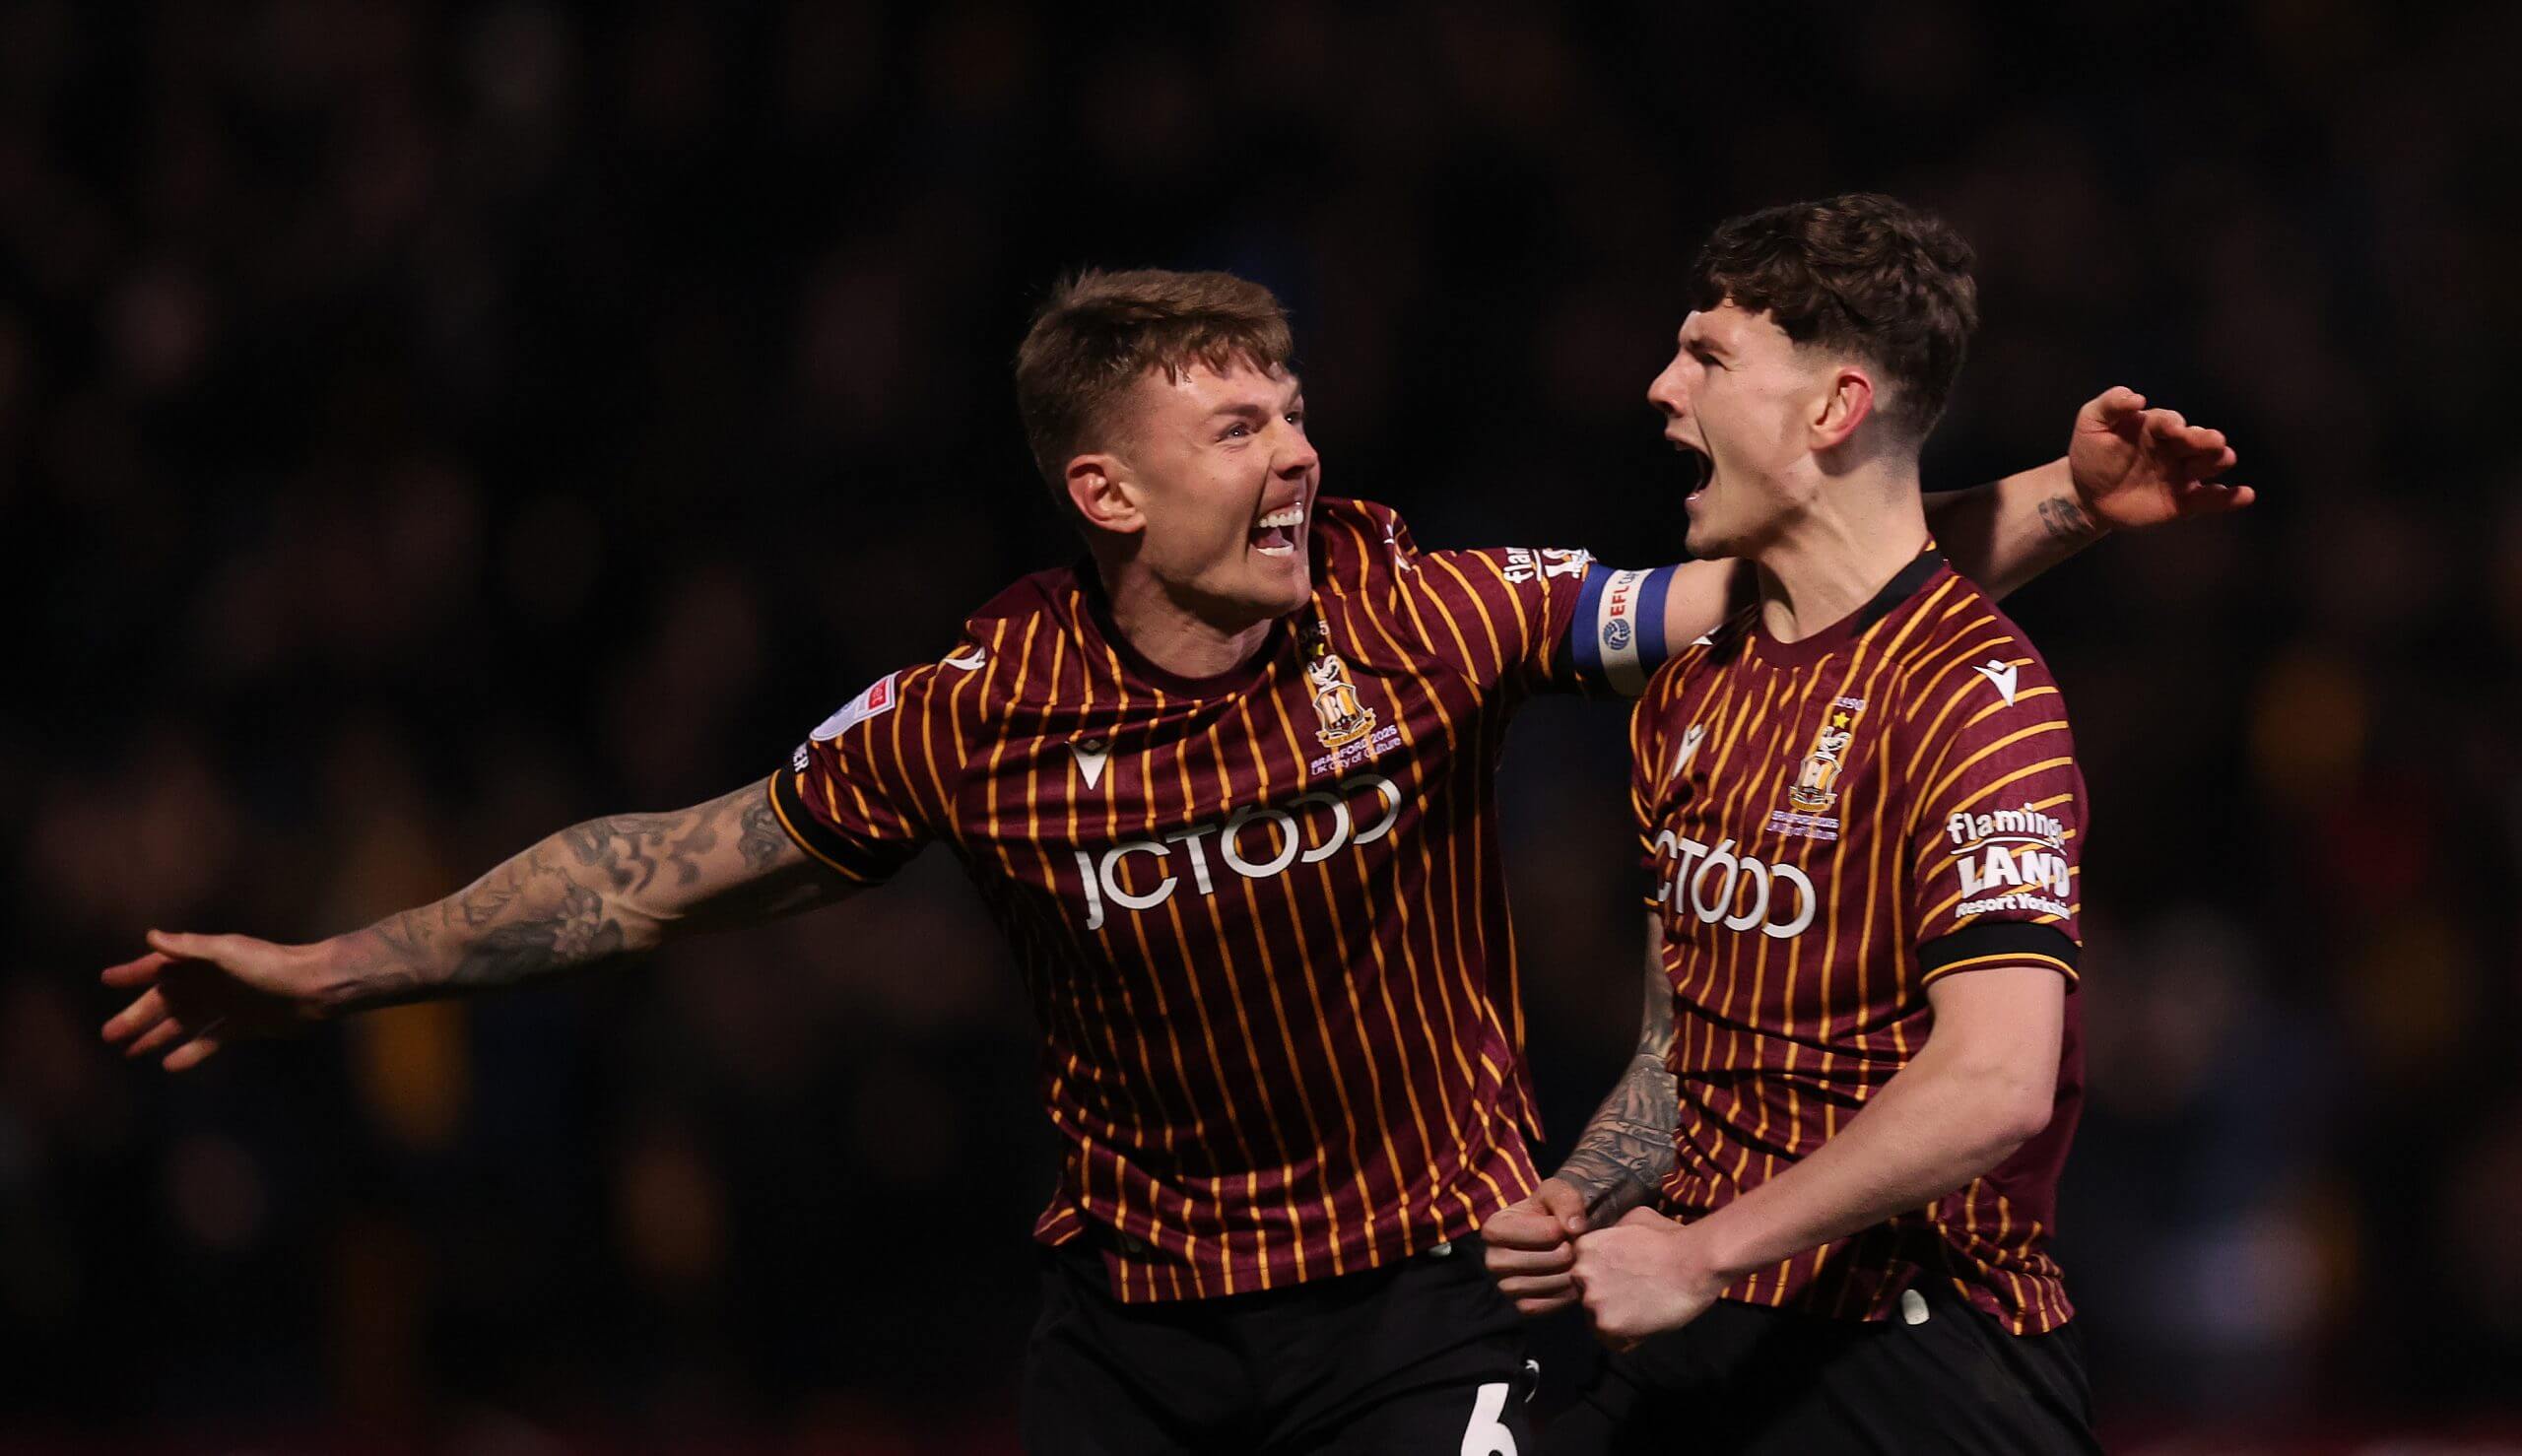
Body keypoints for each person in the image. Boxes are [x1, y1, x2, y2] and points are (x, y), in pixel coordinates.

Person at [103, 267, 2236, 1453]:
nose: (1301, 445)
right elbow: (665, 866)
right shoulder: (978, 708)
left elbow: (1801, 595)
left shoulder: (1422, 608)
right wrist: (327, 974)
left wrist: (2056, 493)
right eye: (1239, 426)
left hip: (1427, 1306)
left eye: (1294, 403)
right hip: (1126, 1335)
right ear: (1107, 492)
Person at [1490, 196, 2157, 1453]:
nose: (1660, 389)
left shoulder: (1977, 692)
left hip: (1921, 1359)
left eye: (1707, 357)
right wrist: (1583, 1191)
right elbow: (1677, 1049)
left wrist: (1701, 1251)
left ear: (1833, 409)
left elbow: (1994, 1085)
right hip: (1703, 1334)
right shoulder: (1689, 690)